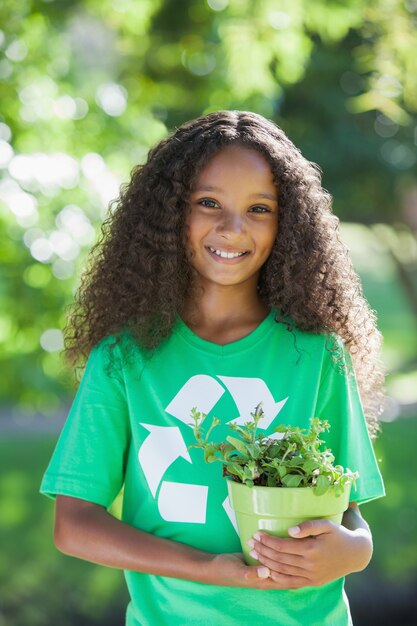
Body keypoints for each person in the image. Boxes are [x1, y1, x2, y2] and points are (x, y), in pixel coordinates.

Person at [40, 110, 385, 626]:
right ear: (168, 214)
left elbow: (347, 511)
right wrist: (210, 568)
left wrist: (355, 549)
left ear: (287, 224)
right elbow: (75, 525)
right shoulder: (124, 358)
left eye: (260, 208)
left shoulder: (317, 355)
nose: (233, 227)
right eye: (208, 203)